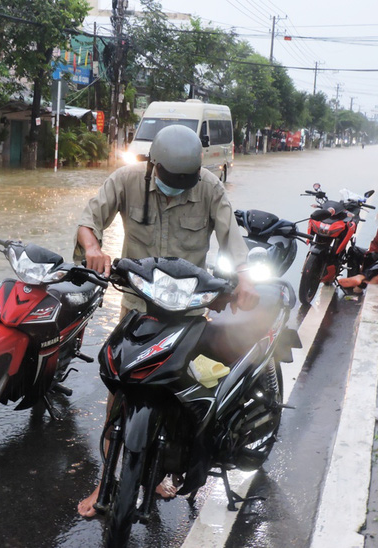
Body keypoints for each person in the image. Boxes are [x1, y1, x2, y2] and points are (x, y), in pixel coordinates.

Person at [75, 124, 258, 517]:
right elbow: (90, 220)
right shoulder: (126, 180)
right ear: (152, 164)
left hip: (188, 314)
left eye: (186, 180)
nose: (180, 185)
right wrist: (92, 248)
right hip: (137, 307)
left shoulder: (209, 188)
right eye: (172, 178)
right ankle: (105, 480)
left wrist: (244, 279)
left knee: (179, 395)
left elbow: (233, 244)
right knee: (120, 399)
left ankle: (158, 469)